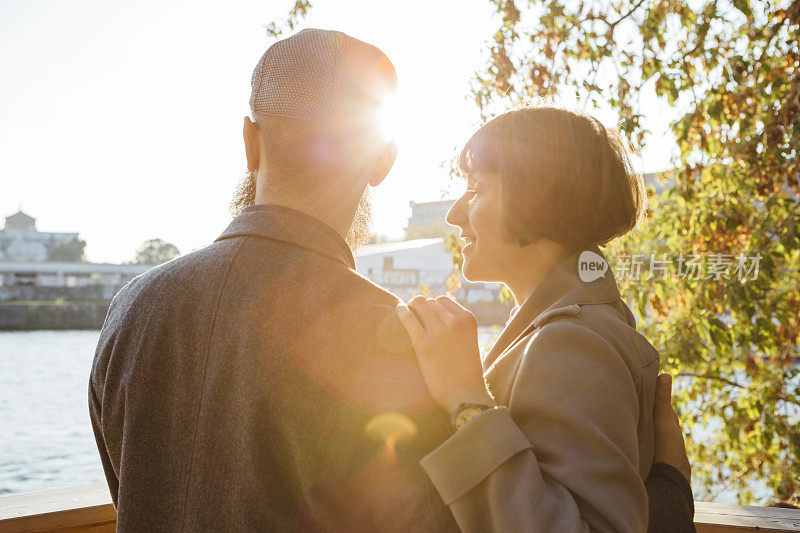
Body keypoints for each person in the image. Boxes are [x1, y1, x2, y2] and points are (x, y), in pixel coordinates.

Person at [89, 29, 693, 531]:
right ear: (383, 161)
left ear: (251, 142)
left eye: (476, 189)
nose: (457, 212)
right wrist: (667, 493)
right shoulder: (395, 337)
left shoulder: (129, 312)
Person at [395, 106, 695, 532]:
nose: (454, 214)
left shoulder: (573, 342)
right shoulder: (572, 326)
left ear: (534, 198)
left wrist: (466, 399)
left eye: (476, 189)